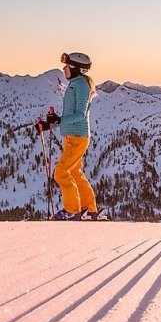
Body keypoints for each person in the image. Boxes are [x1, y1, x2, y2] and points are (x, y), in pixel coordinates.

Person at [44, 51, 105, 220]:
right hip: (71, 136)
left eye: (67, 66)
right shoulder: (75, 84)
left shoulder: (81, 85)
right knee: (75, 172)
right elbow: (72, 115)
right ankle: (90, 209)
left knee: (61, 172)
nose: (64, 69)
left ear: (76, 68)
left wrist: (60, 119)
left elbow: (80, 114)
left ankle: (72, 210)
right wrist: (52, 123)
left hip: (78, 137)